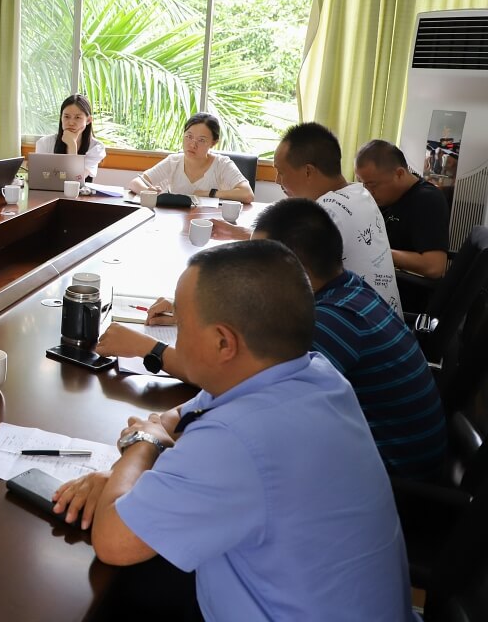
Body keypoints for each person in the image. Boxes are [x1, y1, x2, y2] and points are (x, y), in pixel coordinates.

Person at [56, 240, 415, 621]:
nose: (176, 334)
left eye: (182, 323)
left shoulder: (236, 440)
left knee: (110, 595)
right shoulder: (315, 374)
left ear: (223, 342)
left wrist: (142, 445)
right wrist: (138, 470)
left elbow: (113, 541)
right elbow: (181, 415)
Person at [98, 198, 446, 479]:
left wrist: (149, 348)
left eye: (256, 265)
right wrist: (196, 313)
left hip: (396, 477)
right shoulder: (344, 289)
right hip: (384, 456)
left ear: (293, 271)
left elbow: (238, 380)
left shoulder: (329, 322)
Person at [212, 122, 401, 315]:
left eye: (281, 172)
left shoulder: (327, 212)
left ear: (308, 171)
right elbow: (292, 245)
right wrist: (239, 233)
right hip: (380, 318)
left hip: (348, 324)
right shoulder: (359, 194)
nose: (277, 181)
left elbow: (279, 276)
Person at [354, 139, 450, 279]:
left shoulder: (427, 200)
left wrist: (378, 252)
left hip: (404, 285)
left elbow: (434, 267)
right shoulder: (388, 196)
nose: (368, 191)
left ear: (399, 174)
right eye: (363, 184)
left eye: (372, 185)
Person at [127, 113, 253, 203]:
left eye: (201, 140)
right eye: (189, 136)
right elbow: (135, 183)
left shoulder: (222, 164)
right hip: (175, 221)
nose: (192, 145)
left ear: (213, 143)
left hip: (210, 223)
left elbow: (247, 194)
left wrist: (208, 193)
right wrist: (147, 191)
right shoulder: (173, 161)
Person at [34, 95, 106, 181]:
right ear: (61, 118)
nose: (71, 123)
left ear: (88, 120)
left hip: (78, 190)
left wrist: (72, 145)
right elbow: (39, 179)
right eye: (66, 117)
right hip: (48, 190)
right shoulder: (45, 143)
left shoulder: (96, 147)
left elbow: (76, 179)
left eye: (77, 117)